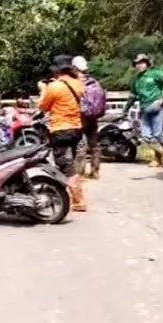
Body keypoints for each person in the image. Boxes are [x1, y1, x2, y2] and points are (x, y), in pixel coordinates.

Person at [37, 55, 87, 212]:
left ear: (57, 71)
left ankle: (79, 201)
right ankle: (73, 196)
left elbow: (43, 106)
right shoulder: (77, 84)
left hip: (61, 129)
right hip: (76, 128)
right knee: (70, 164)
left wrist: (43, 89)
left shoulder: (55, 86)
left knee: (65, 165)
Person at [124, 53, 163, 167]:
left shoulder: (155, 73)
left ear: (147, 64)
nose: (140, 65)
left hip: (157, 107)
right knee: (146, 136)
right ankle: (161, 155)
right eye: (138, 63)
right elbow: (132, 96)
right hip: (144, 109)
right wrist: (126, 109)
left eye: (142, 63)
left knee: (158, 135)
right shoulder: (135, 80)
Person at [71, 55, 105, 179]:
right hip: (93, 116)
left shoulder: (77, 83)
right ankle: (95, 171)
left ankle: (79, 173)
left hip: (81, 116)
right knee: (94, 144)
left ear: (74, 67)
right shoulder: (94, 82)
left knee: (81, 145)